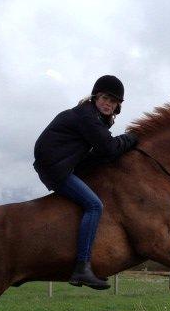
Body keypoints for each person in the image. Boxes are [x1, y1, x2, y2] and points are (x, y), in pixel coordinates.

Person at [33, 75, 138, 289]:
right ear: (95, 97)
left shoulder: (93, 118)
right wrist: (131, 137)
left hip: (62, 165)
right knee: (94, 205)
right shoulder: (86, 116)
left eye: (114, 101)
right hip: (57, 169)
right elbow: (109, 147)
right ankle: (82, 267)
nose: (109, 104)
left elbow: (102, 153)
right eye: (105, 98)